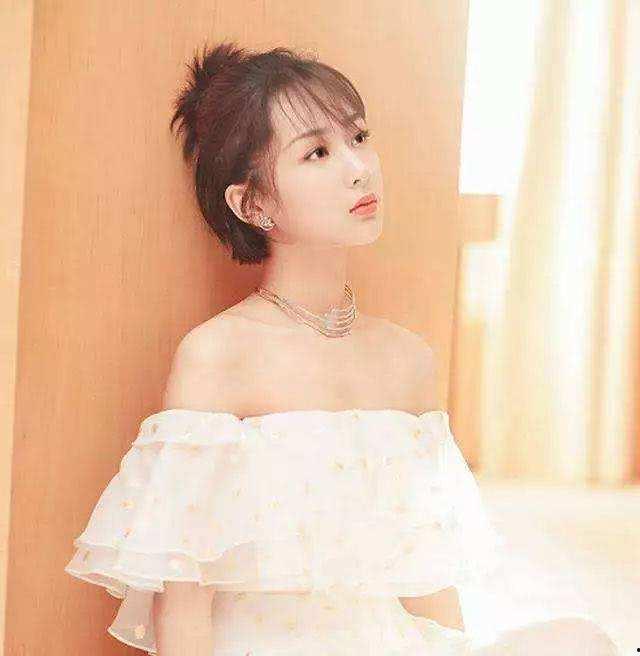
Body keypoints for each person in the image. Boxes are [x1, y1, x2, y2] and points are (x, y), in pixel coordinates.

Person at [64, 41, 620, 655]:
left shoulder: (407, 359)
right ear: (252, 203)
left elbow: (426, 581)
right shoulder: (219, 356)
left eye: (358, 137)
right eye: (317, 153)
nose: (359, 168)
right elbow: (184, 610)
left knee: (582, 641)